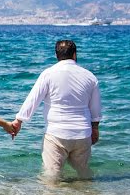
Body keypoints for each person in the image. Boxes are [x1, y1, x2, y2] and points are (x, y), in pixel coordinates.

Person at [10, 39, 102, 180]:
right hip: (82, 134)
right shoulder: (90, 77)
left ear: (56, 55)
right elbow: (95, 109)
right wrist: (95, 128)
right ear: (75, 55)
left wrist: (19, 120)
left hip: (56, 134)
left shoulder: (48, 74)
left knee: (52, 177)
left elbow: (33, 100)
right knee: (84, 174)